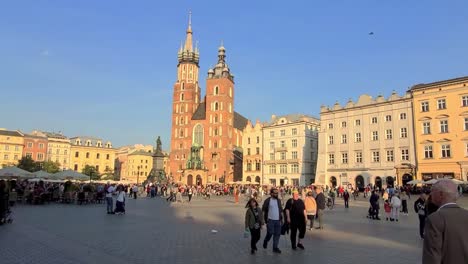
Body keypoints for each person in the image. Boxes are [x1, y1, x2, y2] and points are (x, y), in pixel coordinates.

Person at [422, 179, 468, 264]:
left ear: (441, 194)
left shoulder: (434, 219)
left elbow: (432, 255)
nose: (430, 194)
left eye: (432, 191)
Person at [262, 188, 283, 254]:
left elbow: (281, 210)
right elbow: (263, 211)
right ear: (271, 193)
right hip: (270, 220)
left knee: (277, 234)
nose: (276, 194)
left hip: (278, 220)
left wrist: (283, 219)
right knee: (270, 233)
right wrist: (262, 220)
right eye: (275, 193)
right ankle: (266, 240)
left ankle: (275, 247)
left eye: (277, 193)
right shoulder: (267, 201)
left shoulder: (279, 201)